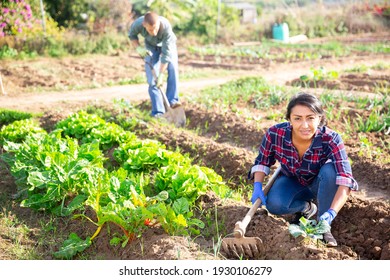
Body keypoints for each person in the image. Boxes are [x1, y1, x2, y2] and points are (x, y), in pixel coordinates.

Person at [249, 92, 358, 247]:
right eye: (298, 118)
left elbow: (345, 180)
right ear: (289, 119)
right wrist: (257, 186)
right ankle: (307, 208)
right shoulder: (275, 134)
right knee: (274, 204)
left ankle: (324, 226)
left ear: (319, 118)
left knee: (331, 171)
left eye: (310, 118)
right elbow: (262, 161)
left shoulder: (331, 139)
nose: (304, 125)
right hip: (293, 181)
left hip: (321, 184)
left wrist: (331, 212)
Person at [128, 11, 181, 118]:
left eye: (156, 28)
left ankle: (173, 101)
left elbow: (166, 56)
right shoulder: (138, 24)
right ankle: (158, 112)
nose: (154, 32)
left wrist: (161, 75)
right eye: (151, 30)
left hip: (168, 45)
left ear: (158, 23)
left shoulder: (166, 28)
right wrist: (139, 48)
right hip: (151, 47)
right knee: (152, 79)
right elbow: (132, 35)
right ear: (144, 25)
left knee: (173, 69)